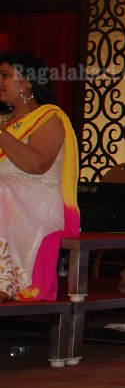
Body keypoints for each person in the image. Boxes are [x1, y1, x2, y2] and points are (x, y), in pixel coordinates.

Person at [0, 53, 80, 302]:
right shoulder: (4, 121)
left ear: (28, 81)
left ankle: (5, 282)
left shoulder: (49, 117)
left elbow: (36, 165)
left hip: (38, 202)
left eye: (4, 75)